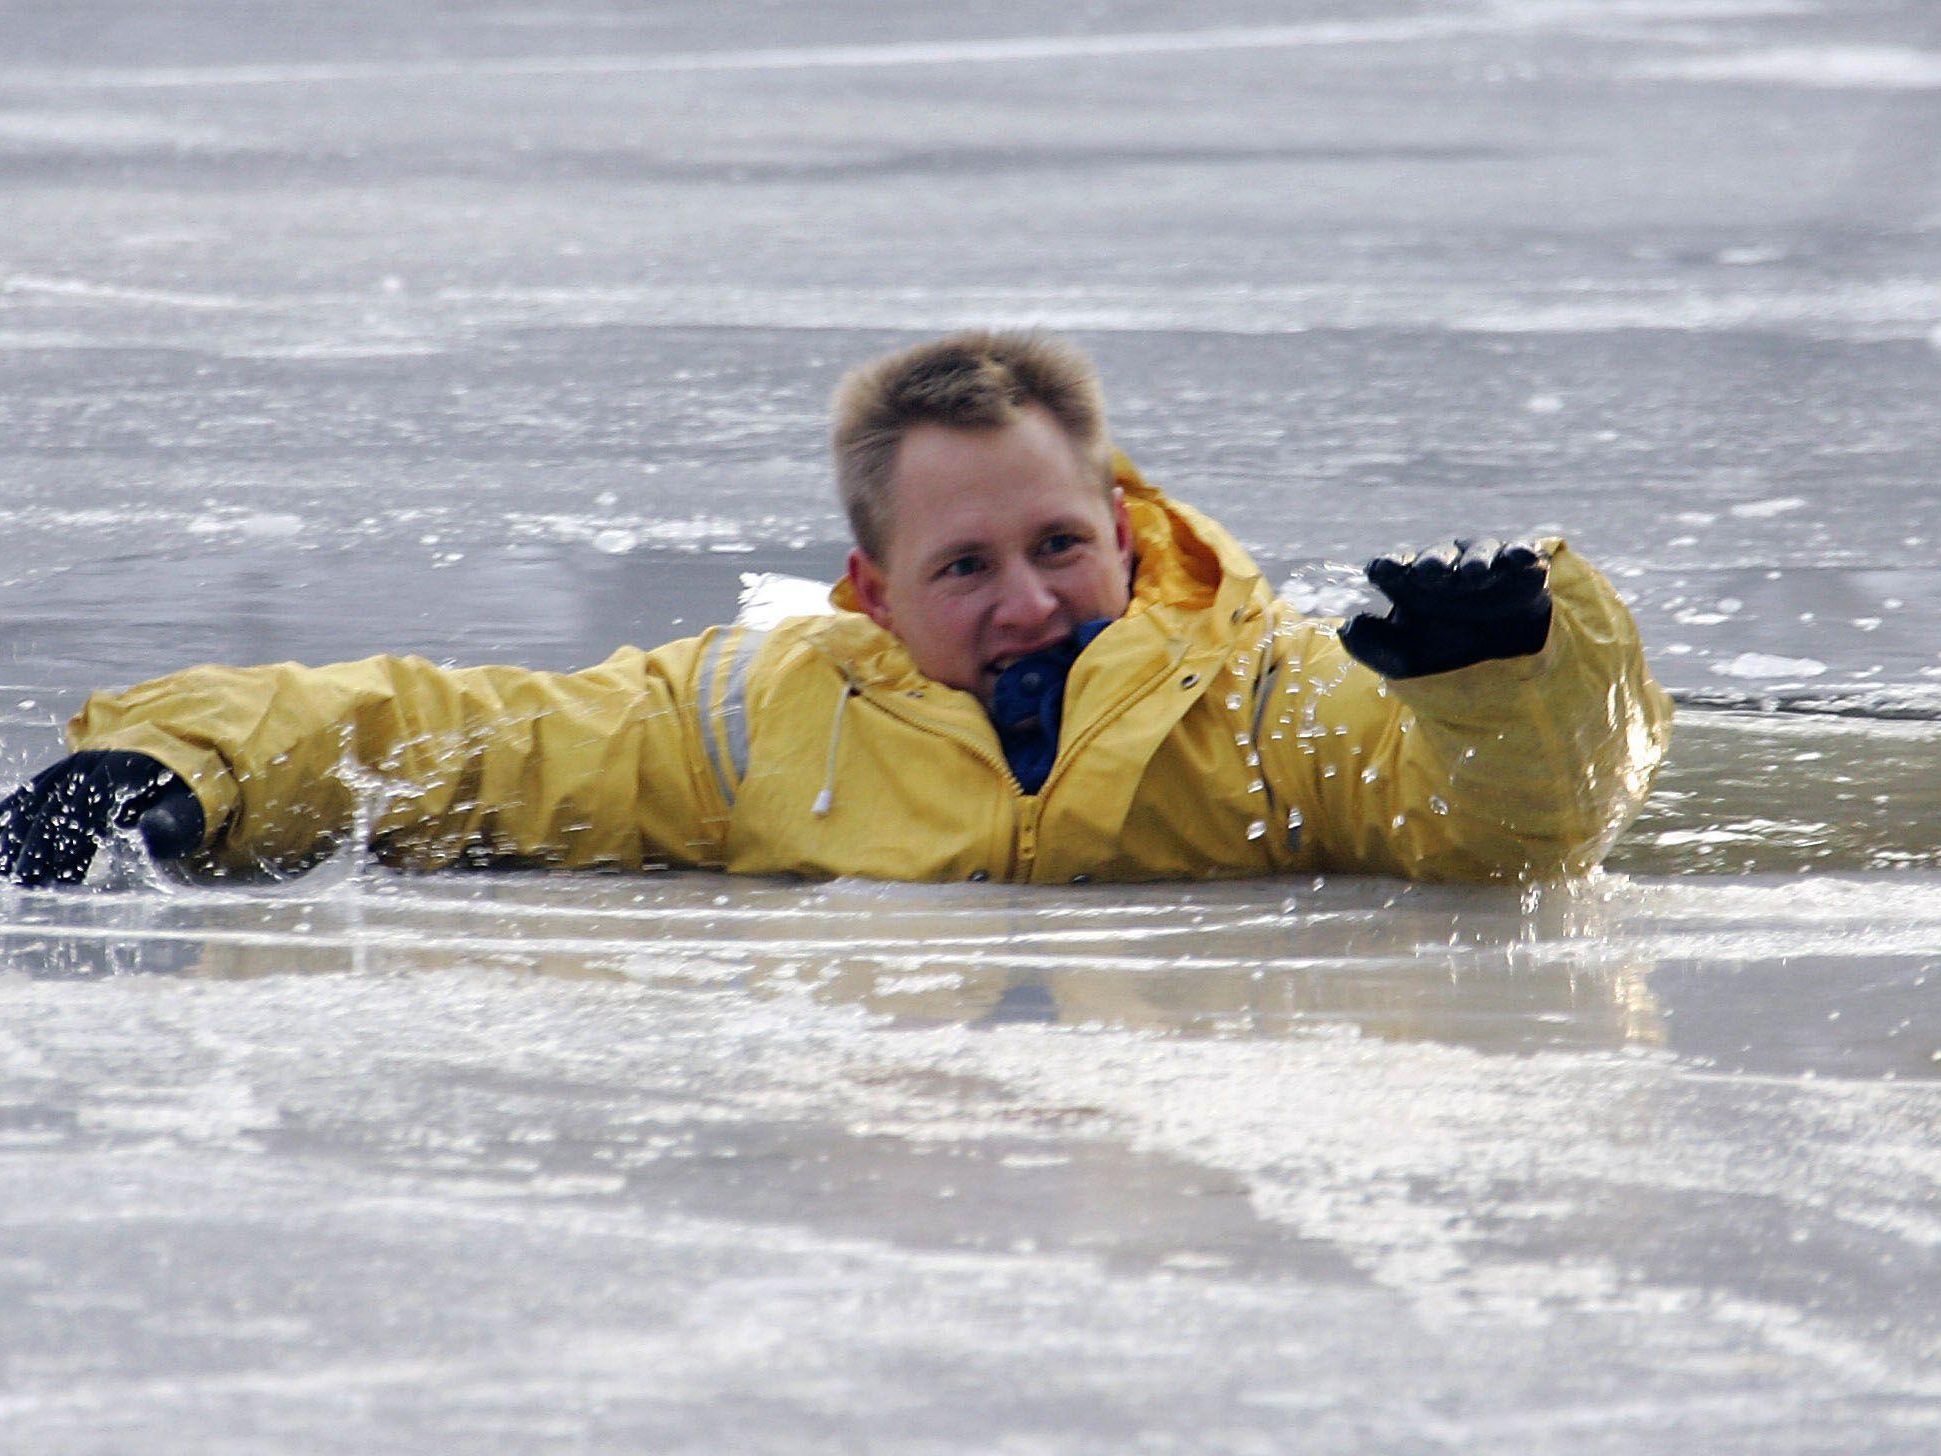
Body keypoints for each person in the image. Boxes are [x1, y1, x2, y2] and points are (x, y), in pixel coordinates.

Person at [0, 331, 1671, 888]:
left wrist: (1511, 678)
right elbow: (471, 742)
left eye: (1059, 545)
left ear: (1120, 525)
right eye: (965, 568)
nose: (1030, 600)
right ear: (871, 590)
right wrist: (181, 764)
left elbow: (1507, 835)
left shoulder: (1266, 697)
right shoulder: (758, 719)